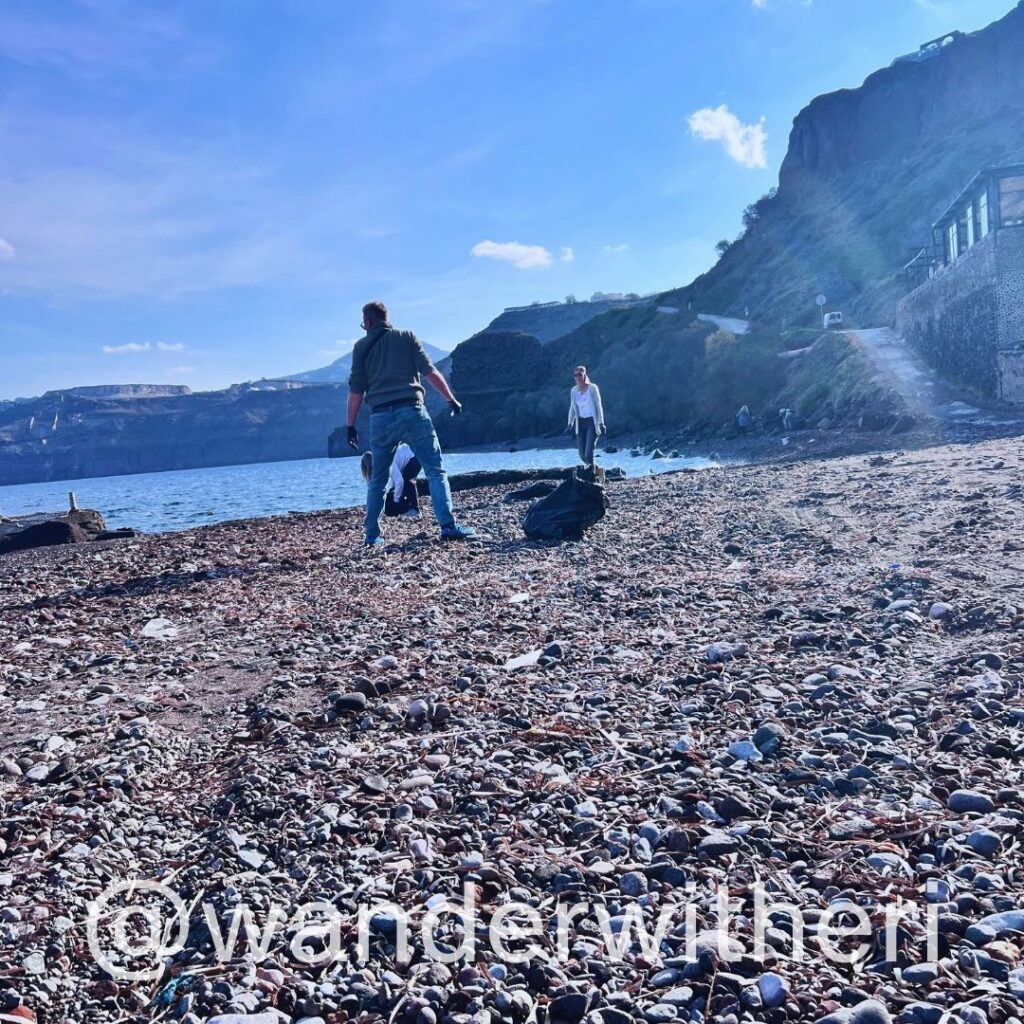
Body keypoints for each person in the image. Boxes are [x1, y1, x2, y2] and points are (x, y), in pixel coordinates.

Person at [347, 301, 475, 546]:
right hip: (412, 411)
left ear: (369, 321)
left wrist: (350, 426)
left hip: (380, 416)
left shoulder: (361, 347)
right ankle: (448, 526)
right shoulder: (406, 337)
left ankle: (372, 535)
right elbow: (430, 372)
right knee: (435, 470)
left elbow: (355, 390)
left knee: (378, 479)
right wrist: (451, 399)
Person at [360, 445, 422, 518]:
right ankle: (410, 505)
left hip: (414, 457)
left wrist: (396, 500)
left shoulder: (386, 461)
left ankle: (414, 509)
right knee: (401, 486)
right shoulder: (381, 461)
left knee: (408, 481)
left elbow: (399, 481)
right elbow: (393, 479)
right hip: (411, 455)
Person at [567, 365, 605, 469]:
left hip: (592, 423)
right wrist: (569, 424)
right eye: (575, 375)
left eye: (580, 374)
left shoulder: (593, 388)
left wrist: (601, 423)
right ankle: (597, 471)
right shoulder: (574, 391)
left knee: (588, 454)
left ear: (584, 375)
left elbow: (598, 406)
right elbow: (572, 408)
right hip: (580, 423)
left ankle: (593, 475)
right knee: (582, 455)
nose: (578, 377)